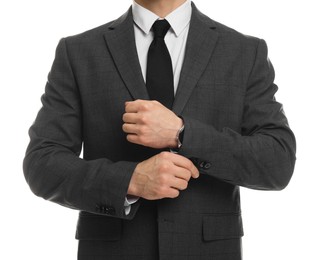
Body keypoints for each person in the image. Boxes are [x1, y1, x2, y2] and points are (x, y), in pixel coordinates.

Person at [23, 0, 296, 259]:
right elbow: (42, 162)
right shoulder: (78, 52)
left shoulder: (244, 51)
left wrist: (182, 133)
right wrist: (131, 181)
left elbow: (278, 160)